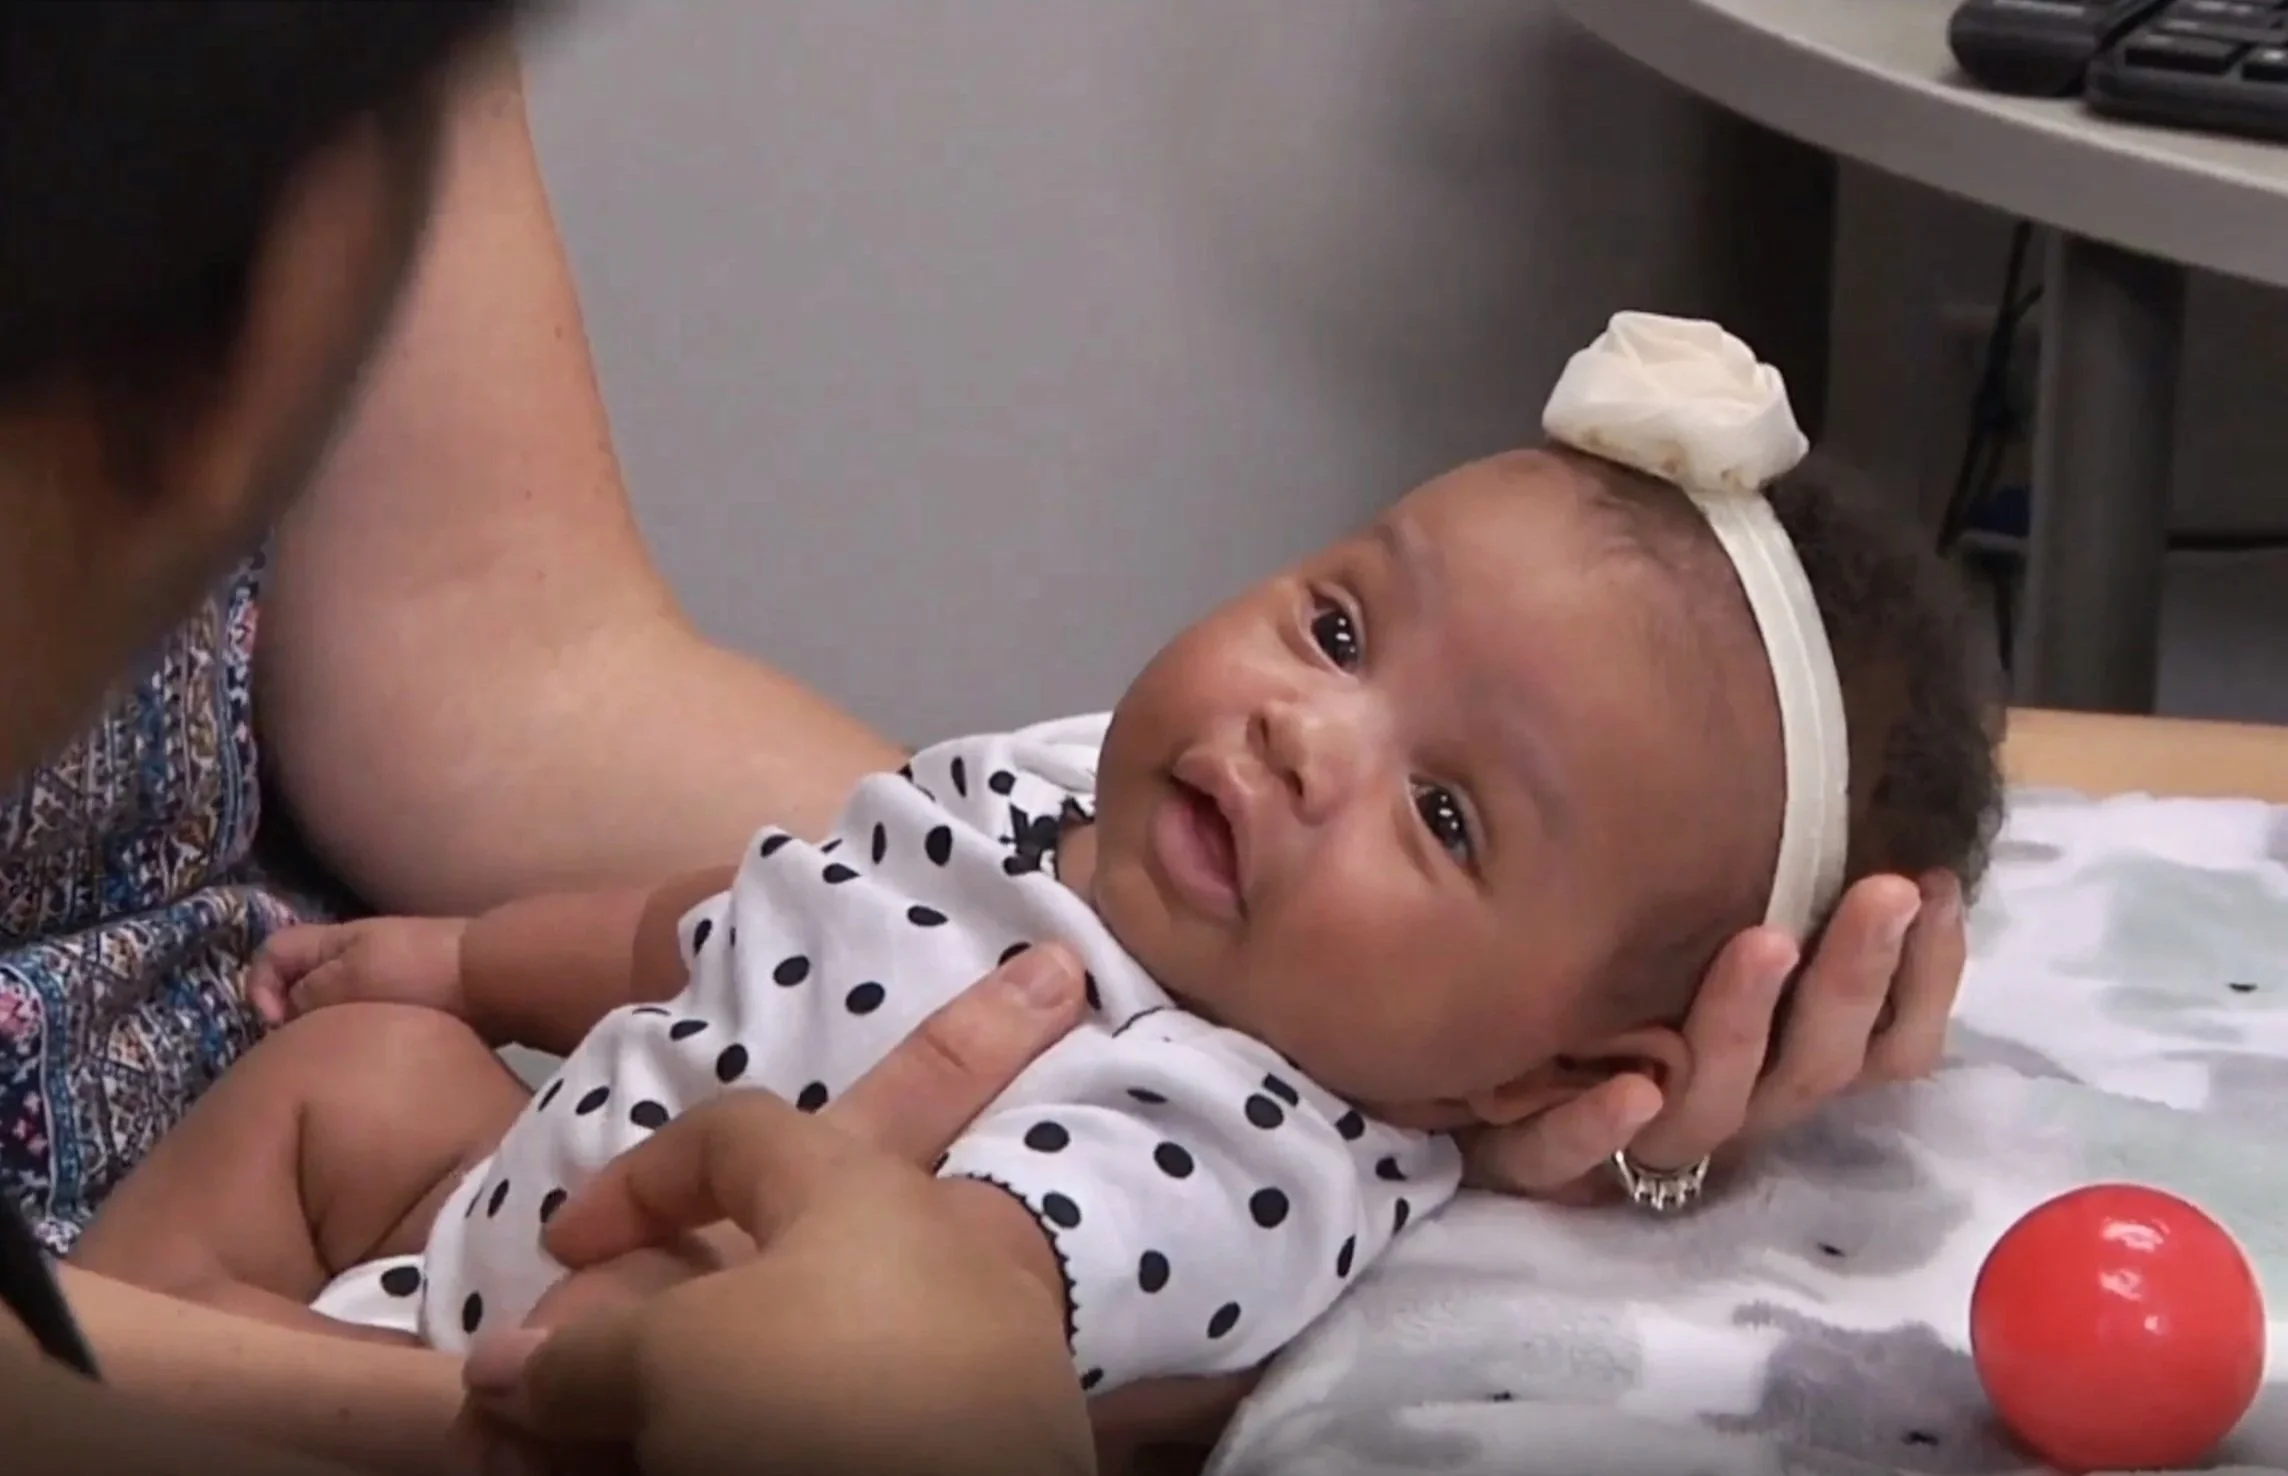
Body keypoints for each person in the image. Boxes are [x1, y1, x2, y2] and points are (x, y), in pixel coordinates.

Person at [0, 4, 1971, 1473]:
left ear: (1559, 1052)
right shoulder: (1076, 787)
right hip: (474, 1333)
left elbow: (912, 1325)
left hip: (639, 1334)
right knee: (354, 1070)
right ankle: (158, 1344)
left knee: (390, 1088)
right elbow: (733, 919)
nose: (1298, 733)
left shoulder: (1238, 1140)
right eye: (1338, 630)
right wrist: (454, 983)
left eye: (1446, 816)